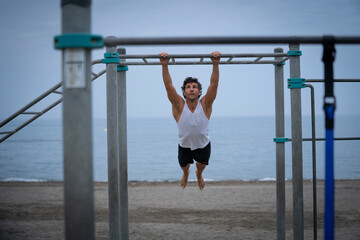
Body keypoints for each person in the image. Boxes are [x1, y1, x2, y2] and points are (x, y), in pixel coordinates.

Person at [159, 51, 221, 190]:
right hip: (184, 145)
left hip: (203, 144)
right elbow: (169, 86)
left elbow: (214, 84)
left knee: (201, 165)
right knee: (184, 165)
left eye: (194, 87)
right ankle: (186, 173)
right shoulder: (179, 106)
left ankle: (198, 174)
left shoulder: (205, 104)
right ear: (184, 92)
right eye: (188, 87)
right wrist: (164, 65)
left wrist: (215, 63)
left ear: (199, 92)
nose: (192, 89)